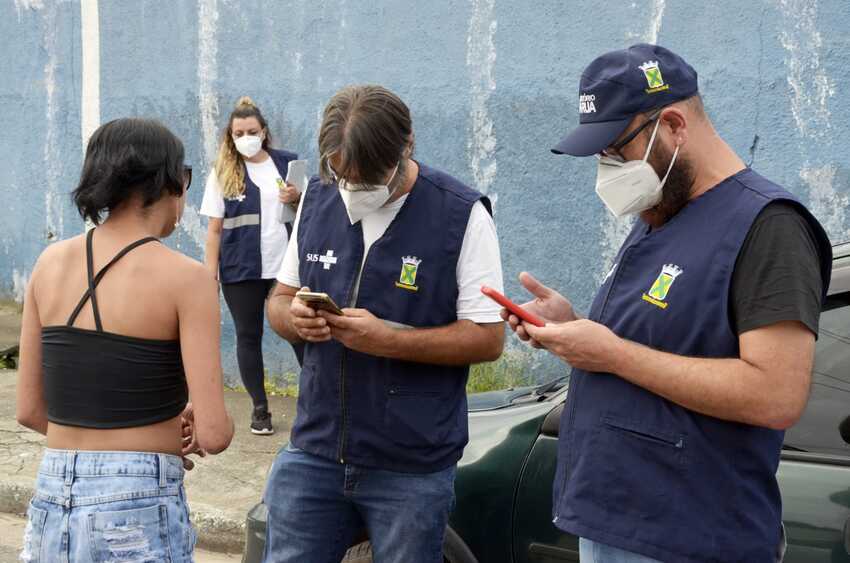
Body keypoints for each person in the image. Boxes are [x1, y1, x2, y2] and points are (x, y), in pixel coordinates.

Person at [504, 44, 832, 563]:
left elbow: (776, 395)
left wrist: (611, 353)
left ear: (674, 125)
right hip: (619, 523)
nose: (607, 169)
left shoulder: (769, 228)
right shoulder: (661, 211)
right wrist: (573, 330)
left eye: (615, 150)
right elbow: (653, 345)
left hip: (692, 538)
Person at [262, 85, 505, 563]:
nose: (351, 190)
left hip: (410, 464)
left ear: (406, 146)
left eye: (366, 177)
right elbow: (278, 301)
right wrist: (294, 320)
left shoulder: (461, 215)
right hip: (315, 449)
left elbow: (488, 336)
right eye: (340, 174)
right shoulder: (317, 199)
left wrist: (390, 340)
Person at [16, 118, 234, 562]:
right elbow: (213, 432)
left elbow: (30, 410)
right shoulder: (187, 279)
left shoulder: (48, 263)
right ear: (169, 182)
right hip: (138, 495)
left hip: (53, 490)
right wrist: (173, 433)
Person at [201, 96, 303, 435]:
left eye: (252, 131)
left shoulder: (288, 165)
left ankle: (315, 402)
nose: (245, 137)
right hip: (241, 267)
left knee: (299, 332)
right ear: (230, 136)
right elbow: (214, 229)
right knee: (248, 336)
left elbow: (312, 214)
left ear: (264, 132)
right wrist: (208, 274)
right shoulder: (222, 172)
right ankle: (260, 409)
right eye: (238, 132)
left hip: (286, 267)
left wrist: (298, 197)